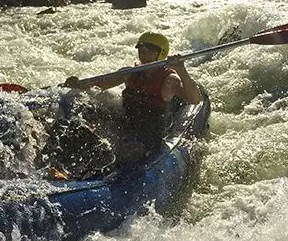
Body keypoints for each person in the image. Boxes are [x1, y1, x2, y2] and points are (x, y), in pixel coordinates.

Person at [64, 32, 202, 162]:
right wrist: (78, 84)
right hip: (127, 119)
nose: (144, 55)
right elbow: (98, 85)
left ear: (161, 54)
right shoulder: (130, 73)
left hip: (150, 130)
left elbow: (194, 99)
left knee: (129, 152)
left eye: (150, 51)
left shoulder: (170, 79)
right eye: (142, 51)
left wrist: (181, 70)